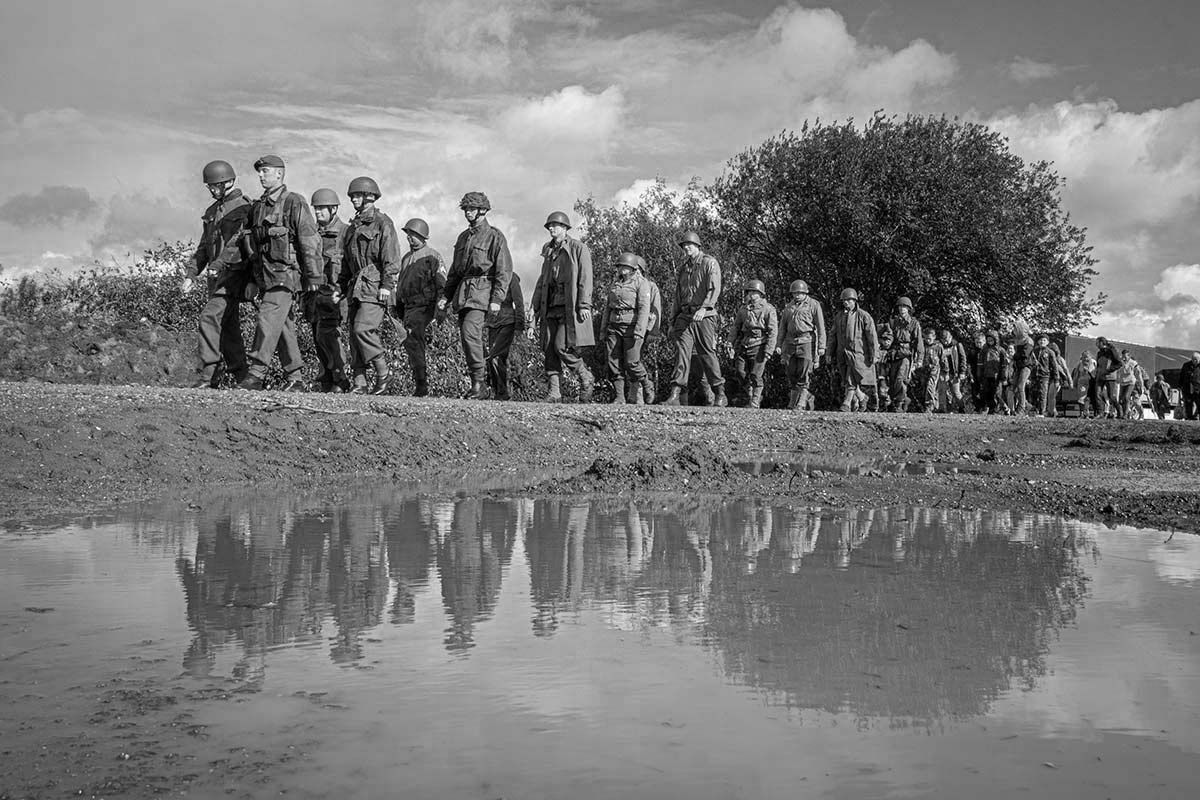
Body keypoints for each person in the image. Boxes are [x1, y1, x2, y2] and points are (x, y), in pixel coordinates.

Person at [237, 154, 322, 392]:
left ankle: (256, 373)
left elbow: (309, 239)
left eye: (265, 171)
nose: (261, 175)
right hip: (266, 276)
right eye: (260, 172)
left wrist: (314, 276)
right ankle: (296, 378)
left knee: (267, 317)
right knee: (282, 326)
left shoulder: (293, 202)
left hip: (286, 274)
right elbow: (254, 248)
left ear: (279, 174)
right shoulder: (258, 207)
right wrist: (254, 280)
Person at [183, 160, 252, 389]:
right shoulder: (211, 212)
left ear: (228, 182)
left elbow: (238, 242)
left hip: (233, 276)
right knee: (228, 326)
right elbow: (204, 247)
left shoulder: (244, 207)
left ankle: (209, 375)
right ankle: (243, 377)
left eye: (215, 185)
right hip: (216, 279)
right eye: (209, 186)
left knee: (209, 317)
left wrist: (220, 263)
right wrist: (191, 274)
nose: (211, 190)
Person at [438, 192, 514, 400]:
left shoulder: (494, 237)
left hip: (482, 292)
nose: (467, 212)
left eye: (471, 208)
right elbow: (455, 271)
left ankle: (480, 385)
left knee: (470, 334)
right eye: (465, 209)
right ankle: (478, 382)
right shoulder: (463, 237)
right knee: (466, 338)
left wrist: (497, 299)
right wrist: (446, 296)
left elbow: (504, 270)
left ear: (482, 210)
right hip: (463, 294)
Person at [337, 177, 400, 395]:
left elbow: (391, 258)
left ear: (369, 196)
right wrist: (339, 286)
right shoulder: (353, 226)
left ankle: (383, 373)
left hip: (375, 285)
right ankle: (360, 382)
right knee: (354, 335)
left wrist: (387, 285)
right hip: (355, 285)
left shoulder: (383, 223)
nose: (353, 199)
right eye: (352, 196)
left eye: (357, 195)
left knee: (362, 328)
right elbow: (347, 261)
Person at [531, 211, 595, 403]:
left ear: (565, 228)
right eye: (549, 226)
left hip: (570, 305)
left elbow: (585, 277)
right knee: (549, 348)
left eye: (555, 225)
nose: (551, 228)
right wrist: (534, 308)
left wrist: (584, 304)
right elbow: (542, 281)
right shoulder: (548, 251)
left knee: (562, 346)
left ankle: (585, 376)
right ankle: (555, 392)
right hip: (550, 305)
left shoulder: (578, 248)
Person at [663, 231, 725, 406]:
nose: (686, 248)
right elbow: (677, 296)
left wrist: (704, 308)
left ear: (698, 246)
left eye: (689, 245)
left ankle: (719, 392)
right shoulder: (683, 268)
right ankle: (675, 393)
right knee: (682, 352)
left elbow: (714, 289)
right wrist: (672, 321)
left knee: (706, 353)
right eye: (684, 245)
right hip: (685, 315)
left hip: (704, 315)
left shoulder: (709, 263)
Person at [395, 218, 446, 397]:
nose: (410, 238)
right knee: (409, 345)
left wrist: (440, 308)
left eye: (414, 235)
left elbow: (441, 283)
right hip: (407, 308)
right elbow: (401, 284)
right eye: (408, 234)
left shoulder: (432, 256)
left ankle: (421, 385)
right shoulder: (406, 258)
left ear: (423, 236)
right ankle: (419, 382)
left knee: (415, 343)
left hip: (424, 307)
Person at [307, 188, 349, 392]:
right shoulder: (312, 233)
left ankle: (340, 379)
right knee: (317, 336)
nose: (318, 213)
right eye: (316, 209)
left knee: (330, 335)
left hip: (335, 294)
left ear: (333, 209)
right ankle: (327, 377)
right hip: (315, 295)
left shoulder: (346, 233)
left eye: (322, 209)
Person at [599, 252, 652, 405]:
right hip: (614, 327)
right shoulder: (615, 284)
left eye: (624, 266)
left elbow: (644, 308)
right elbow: (607, 308)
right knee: (613, 362)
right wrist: (603, 330)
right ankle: (619, 397)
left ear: (632, 267)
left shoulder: (641, 283)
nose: (621, 269)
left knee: (632, 362)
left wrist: (640, 330)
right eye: (619, 266)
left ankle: (646, 382)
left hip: (631, 326)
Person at [775, 279, 826, 410]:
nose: (797, 295)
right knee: (791, 371)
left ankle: (802, 399)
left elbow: (820, 327)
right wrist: (779, 344)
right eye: (794, 293)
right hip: (791, 342)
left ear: (805, 293)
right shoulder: (789, 307)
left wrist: (821, 346)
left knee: (804, 371)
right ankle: (794, 399)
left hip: (807, 341)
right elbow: (782, 328)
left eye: (799, 293)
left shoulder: (813, 305)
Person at [828, 288, 879, 412]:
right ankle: (862, 397)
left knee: (851, 378)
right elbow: (832, 335)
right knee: (846, 378)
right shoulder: (839, 316)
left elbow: (872, 336)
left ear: (854, 301)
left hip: (858, 353)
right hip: (842, 353)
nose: (846, 303)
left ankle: (846, 403)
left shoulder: (863, 316)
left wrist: (875, 353)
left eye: (849, 300)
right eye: (844, 300)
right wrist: (829, 352)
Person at [729, 280, 778, 408]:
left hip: (760, 344)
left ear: (760, 294)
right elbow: (736, 327)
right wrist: (730, 343)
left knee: (756, 374)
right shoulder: (743, 309)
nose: (751, 294)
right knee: (740, 372)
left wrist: (769, 350)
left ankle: (755, 401)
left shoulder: (768, 309)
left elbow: (773, 331)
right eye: (749, 292)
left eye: (754, 292)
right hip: (744, 343)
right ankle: (749, 394)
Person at [485, 272, 525, 401]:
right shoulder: (489, 276)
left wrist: (520, 324)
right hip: (492, 323)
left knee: (494, 356)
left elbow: (519, 302)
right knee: (497, 359)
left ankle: (501, 390)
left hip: (508, 322)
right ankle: (499, 391)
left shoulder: (511, 277)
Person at [882, 296, 923, 412]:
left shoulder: (914, 323)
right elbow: (887, 335)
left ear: (909, 309)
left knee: (901, 379)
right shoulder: (893, 322)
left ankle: (899, 403)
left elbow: (919, 342)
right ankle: (903, 400)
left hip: (906, 354)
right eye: (900, 306)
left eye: (904, 307)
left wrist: (919, 359)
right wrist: (886, 342)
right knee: (892, 379)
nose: (902, 309)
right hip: (894, 354)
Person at [633, 255, 663, 404]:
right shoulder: (624, 285)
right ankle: (633, 395)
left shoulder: (651, 286)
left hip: (644, 330)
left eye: (638, 270)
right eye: (633, 269)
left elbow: (656, 311)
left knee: (636, 360)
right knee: (629, 361)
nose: (635, 272)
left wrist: (652, 332)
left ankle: (639, 396)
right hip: (628, 329)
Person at [976, 331, 1007, 414]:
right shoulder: (984, 350)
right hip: (986, 375)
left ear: (996, 340)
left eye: (991, 340)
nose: (990, 342)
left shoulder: (1001, 350)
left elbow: (1004, 365)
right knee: (987, 392)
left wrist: (1003, 376)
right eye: (988, 340)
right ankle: (990, 409)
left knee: (997, 393)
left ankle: (1000, 408)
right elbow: (980, 363)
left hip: (996, 375)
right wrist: (979, 374)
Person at [1008, 316, 1035, 415]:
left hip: (1026, 366)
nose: (1014, 330)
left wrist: (1014, 356)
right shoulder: (1017, 340)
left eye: (1015, 328)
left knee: (1020, 386)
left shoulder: (1028, 341)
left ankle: (1022, 408)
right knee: (1014, 389)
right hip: (1018, 366)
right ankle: (1027, 405)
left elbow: (1025, 354)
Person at [914, 328, 945, 412]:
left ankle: (929, 405)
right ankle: (934, 406)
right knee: (924, 388)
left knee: (930, 386)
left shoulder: (938, 346)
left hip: (934, 369)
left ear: (934, 337)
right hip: (923, 370)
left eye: (930, 339)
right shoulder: (922, 346)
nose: (928, 340)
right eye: (926, 338)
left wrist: (945, 371)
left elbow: (943, 359)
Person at [938, 329, 967, 413]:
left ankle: (962, 407)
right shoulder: (939, 346)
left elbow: (963, 358)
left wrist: (962, 371)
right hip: (943, 372)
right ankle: (942, 408)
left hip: (955, 373)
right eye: (943, 340)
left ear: (951, 337)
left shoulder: (957, 345)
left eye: (947, 340)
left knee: (956, 392)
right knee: (942, 391)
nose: (945, 342)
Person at [1094, 337, 1124, 418]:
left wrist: (1109, 369)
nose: (1096, 344)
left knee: (1111, 397)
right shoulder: (1099, 353)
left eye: (1097, 342)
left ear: (1102, 343)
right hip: (1100, 377)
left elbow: (1119, 364)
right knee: (1097, 394)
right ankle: (1100, 413)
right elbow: (1098, 365)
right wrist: (1097, 375)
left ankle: (1119, 410)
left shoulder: (1111, 351)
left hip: (1110, 377)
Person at [1028, 334, 1055, 417]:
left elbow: (1054, 365)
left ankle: (1042, 411)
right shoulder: (1034, 352)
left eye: (1044, 340)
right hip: (1034, 375)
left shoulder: (1050, 352)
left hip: (1044, 376)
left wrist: (1056, 377)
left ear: (1047, 342)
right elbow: (1030, 363)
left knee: (1043, 393)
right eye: (1040, 340)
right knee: (1034, 393)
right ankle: (1035, 410)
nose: (1042, 342)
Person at [965, 331, 987, 412]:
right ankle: (978, 407)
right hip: (975, 375)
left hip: (985, 375)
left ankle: (985, 407)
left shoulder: (987, 351)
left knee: (985, 391)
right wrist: (970, 375)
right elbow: (969, 364)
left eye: (980, 342)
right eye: (977, 342)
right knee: (975, 392)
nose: (978, 344)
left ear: (984, 342)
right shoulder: (972, 352)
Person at [1071, 351, 1096, 417]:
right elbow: (1076, 374)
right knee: (1081, 399)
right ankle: (1082, 413)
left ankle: (1087, 413)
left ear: (1090, 357)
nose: (1085, 359)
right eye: (1084, 357)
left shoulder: (1094, 363)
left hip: (1091, 382)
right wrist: (1074, 383)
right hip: (1082, 383)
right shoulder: (1080, 364)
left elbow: (1096, 373)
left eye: (1087, 357)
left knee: (1088, 399)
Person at [1182, 352, 1200, 420]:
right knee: (1188, 403)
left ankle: (1197, 416)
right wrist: (1179, 385)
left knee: (1199, 403)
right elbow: (1182, 376)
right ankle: (1189, 417)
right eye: (1193, 359)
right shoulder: (1186, 365)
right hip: (1188, 388)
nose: (1194, 361)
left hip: (1198, 388)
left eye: (1196, 359)